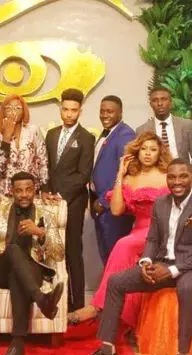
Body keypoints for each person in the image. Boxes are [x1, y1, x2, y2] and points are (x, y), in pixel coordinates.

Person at [73, 159, 192, 355]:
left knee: (186, 287)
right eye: (172, 177)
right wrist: (146, 261)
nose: (177, 182)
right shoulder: (161, 204)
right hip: (162, 264)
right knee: (116, 281)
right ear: (167, 179)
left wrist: (172, 270)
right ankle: (107, 350)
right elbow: (152, 239)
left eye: (183, 176)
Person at [68, 132, 171, 325]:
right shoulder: (130, 178)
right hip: (138, 232)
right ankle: (119, 316)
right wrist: (120, 175)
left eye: (153, 149)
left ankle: (96, 307)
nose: (148, 153)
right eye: (144, 149)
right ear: (137, 151)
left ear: (160, 153)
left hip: (161, 233)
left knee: (123, 245)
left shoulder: (167, 177)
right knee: (125, 247)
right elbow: (116, 210)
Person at [0, 171, 65, 355]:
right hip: (1, 269)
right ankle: (42, 299)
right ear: (12, 191)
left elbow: (59, 253)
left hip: (32, 271)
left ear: (35, 191)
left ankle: (17, 344)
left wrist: (40, 233)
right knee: (13, 250)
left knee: (19, 276)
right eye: (19, 190)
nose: (24, 195)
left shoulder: (46, 216)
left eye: (28, 190)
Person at [41, 89, 94, 311]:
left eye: (74, 110)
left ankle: (77, 304)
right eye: (66, 109)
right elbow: (46, 166)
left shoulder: (87, 138)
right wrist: (45, 190)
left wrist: (61, 195)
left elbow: (84, 174)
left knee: (72, 251)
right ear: (60, 109)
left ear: (80, 111)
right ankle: (55, 299)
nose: (69, 114)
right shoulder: (51, 134)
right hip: (49, 201)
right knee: (49, 249)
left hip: (73, 202)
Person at [91, 95, 136, 263]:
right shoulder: (108, 133)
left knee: (115, 257)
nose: (105, 115)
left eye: (110, 111)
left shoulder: (125, 135)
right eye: (102, 111)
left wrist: (104, 201)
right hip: (102, 206)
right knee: (107, 256)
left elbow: (126, 173)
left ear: (120, 113)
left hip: (112, 207)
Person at [135, 87, 192, 186]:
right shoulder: (142, 130)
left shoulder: (185, 125)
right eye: (155, 100)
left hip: (183, 181)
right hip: (156, 183)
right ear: (151, 104)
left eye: (163, 99)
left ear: (171, 102)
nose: (160, 103)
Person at [0, 94, 48, 195]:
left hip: (30, 190)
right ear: (3, 111)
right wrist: (6, 139)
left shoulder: (33, 131)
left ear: (24, 111)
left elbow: (43, 161)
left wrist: (45, 189)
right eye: (9, 108)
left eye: (17, 108)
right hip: (6, 190)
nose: (13, 111)